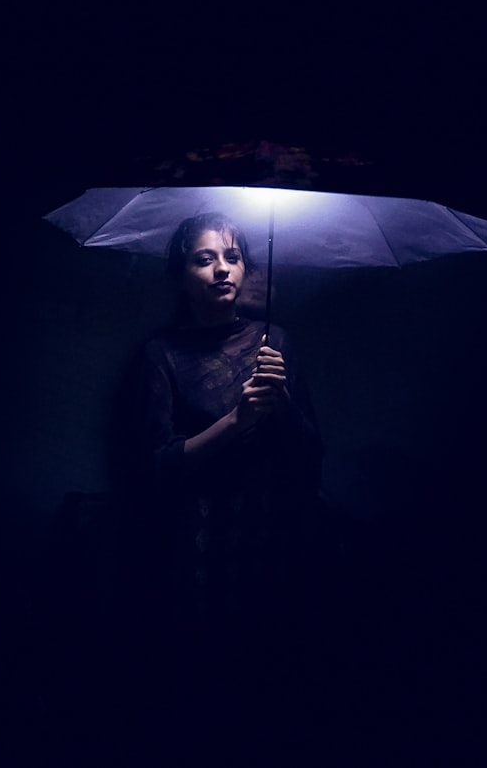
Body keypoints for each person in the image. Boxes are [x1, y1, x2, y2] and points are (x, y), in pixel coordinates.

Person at [125, 212, 323, 725]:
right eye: (204, 259)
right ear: (181, 275)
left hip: (270, 533)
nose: (221, 269)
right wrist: (238, 420)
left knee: (270, 679)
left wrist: (279, 400)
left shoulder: (274, 342)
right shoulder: (161, 354)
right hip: (196, 539)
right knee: (201, 682)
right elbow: (155, 466)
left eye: (232, 257)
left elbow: (310, 454)